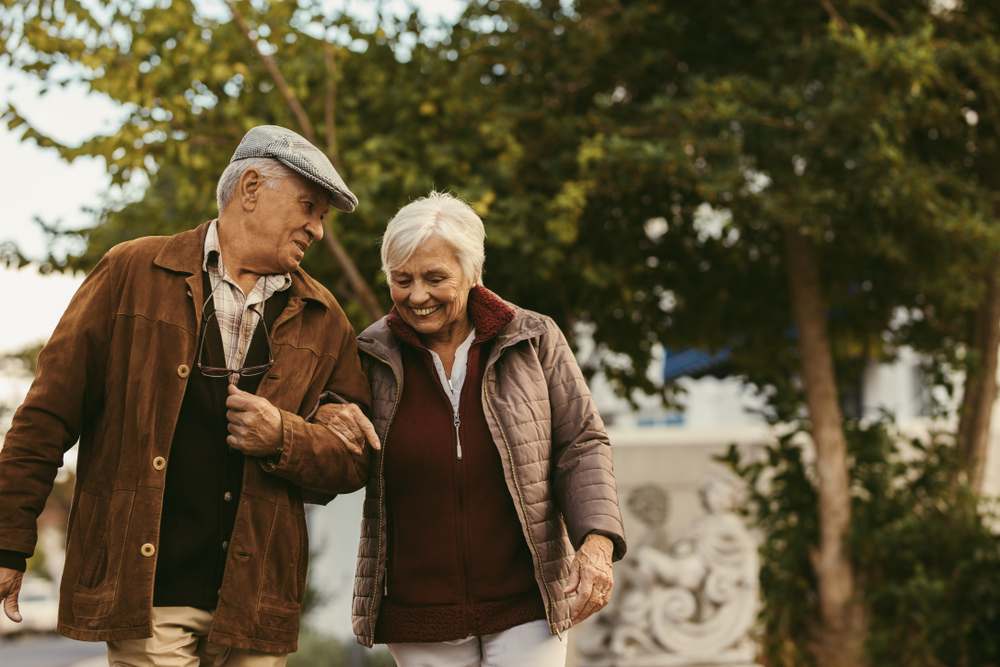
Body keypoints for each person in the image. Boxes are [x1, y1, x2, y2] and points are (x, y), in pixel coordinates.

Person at [0, 125, 379, 666]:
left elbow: (354, 459)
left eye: (321, 216)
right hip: (149, 598)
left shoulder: (326, 319)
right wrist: (8, 541)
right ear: (251, 188)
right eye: (309, 207)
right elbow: (46, 414)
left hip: (255, 607)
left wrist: (284, 437)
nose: (318, 230)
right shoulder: (131, 272)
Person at [343, 191, 627, 666]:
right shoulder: (370, 355)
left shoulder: (533, 338)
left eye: (436, 278)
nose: (417, 295)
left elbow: (581, 444)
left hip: (528, 600)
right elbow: (337, 447)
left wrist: (596, 541)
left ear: (473, 272)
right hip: (420, 609)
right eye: (401, 280)